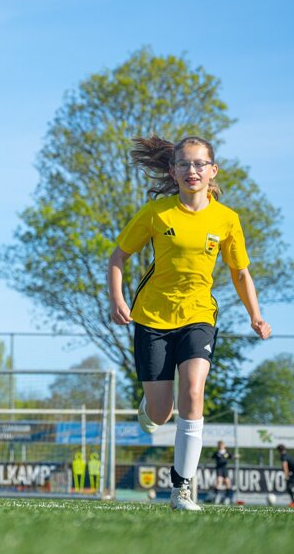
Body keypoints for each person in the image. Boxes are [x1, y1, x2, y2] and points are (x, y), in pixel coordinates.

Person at [107, 136, 271, 511]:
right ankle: (150, 407)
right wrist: (117, 299)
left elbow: (240, 271)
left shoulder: (227, 219)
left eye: (199, 164)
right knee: (161, 412)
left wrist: (255, 315)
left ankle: (181, 488)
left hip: (199, 315)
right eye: (184, 164)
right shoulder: (156, 213)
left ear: (213, 170)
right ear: (173, 170)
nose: (192, 171)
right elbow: (118, 257)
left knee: (194, 392)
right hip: (152, 318)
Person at [212, 440, 234, 505]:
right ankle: (217, 496)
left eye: (222, 445)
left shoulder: (226, 453)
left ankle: (227, 498)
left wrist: (234, 456)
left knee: (227, 482)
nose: (221, 446)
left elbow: (231, 456)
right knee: (219, 481)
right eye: (220, 445)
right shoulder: (217, 453)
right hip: (219, 468)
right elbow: (213, 457)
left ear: (224, 446)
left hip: (224, 468)